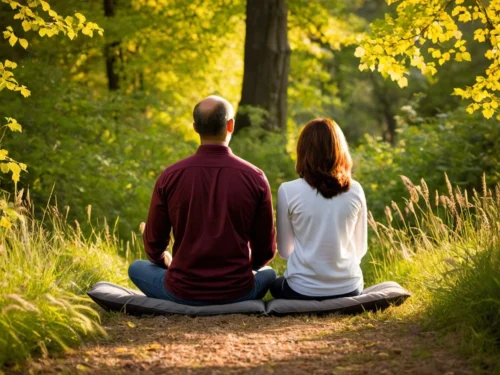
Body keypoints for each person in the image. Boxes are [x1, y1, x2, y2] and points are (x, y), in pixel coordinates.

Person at [129, 95, 277, 305]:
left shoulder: (170, 176)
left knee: (136, 268)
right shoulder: (255, 177)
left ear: (195, 127)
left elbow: (153, 247)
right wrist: (242, 270)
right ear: (230, 126)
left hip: (182, 291)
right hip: (238, 292)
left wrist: (168, 263)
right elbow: (266, 252)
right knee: (269, 274)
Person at [270, 118, 367, 300]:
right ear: (340, 150)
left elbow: (284, 252)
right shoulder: (356, 189)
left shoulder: (288, 190)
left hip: (302, 290)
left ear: (303, 151)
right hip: (350, 288)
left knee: (274, 284)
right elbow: (360, 249)